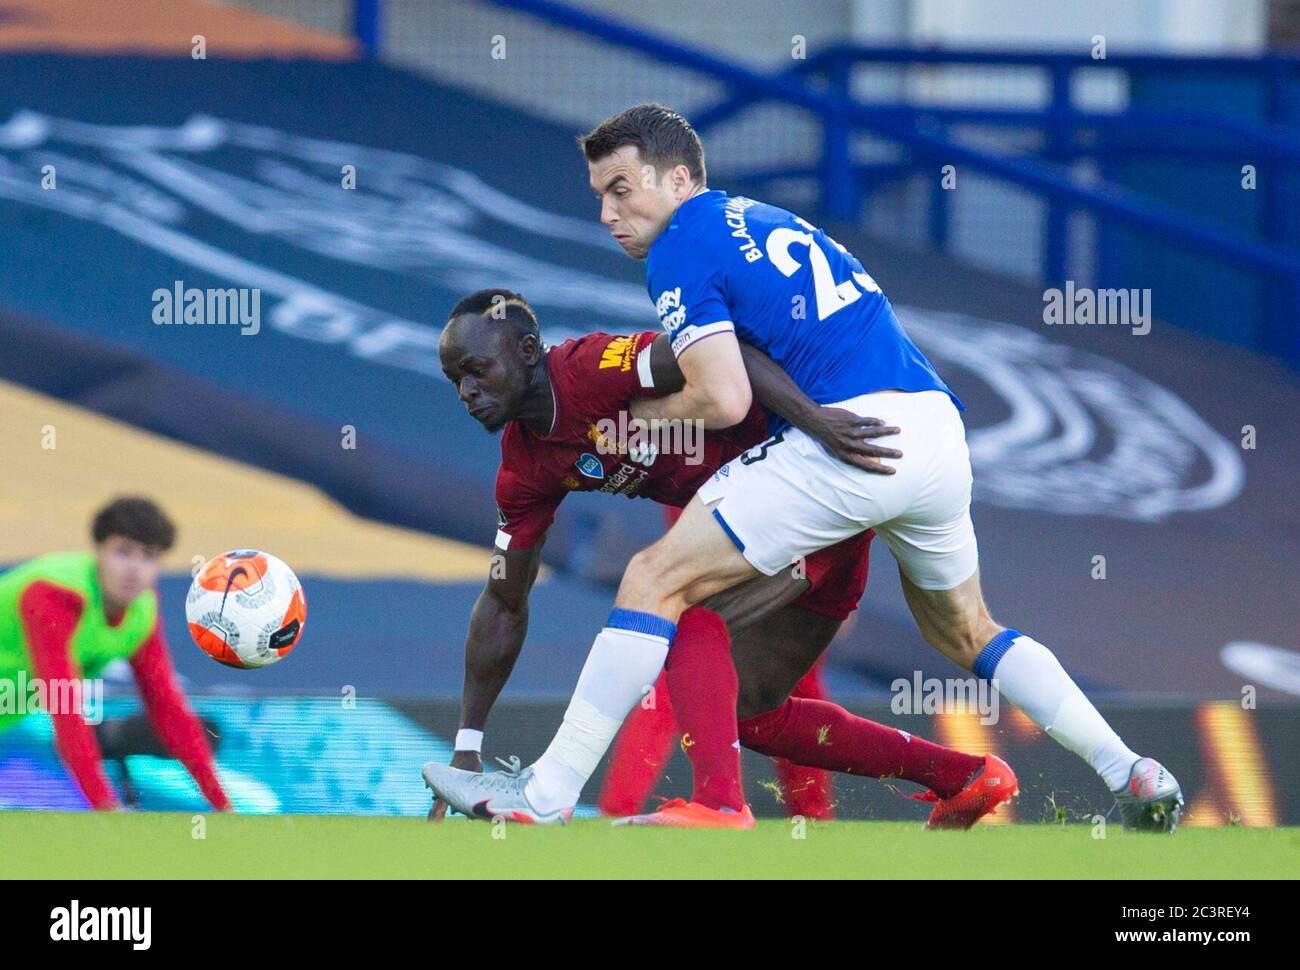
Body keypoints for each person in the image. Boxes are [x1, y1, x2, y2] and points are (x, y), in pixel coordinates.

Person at [425, 104, 1182, 831]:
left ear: (680, 179)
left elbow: (721, 396)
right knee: (962, 633)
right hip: (932, 433)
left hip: (842, 447)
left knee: (655, 582)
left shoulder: (680, 246)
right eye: (600, 197)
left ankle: (554, 792)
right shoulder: (759, 219)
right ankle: (1130, 772)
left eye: (622, 189)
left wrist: (662, 418)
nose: (609, 213)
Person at [425, 290, 1015, 828]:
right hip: (762, 534)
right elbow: (504, 601)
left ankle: (718, 804)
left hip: (808, 493)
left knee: (674, 604)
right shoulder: (523, 469)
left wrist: (817, 424)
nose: (466, 392)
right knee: (751, 712)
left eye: (476, 370)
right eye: (455, 381)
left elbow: (724, 357)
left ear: (528, 350)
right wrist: (467, 743)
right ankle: (963, 777)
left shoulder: (592, 368)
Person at [0, 497, 230, 811]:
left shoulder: (141, 610)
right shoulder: (54, 594)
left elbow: (168, 708)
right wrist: (104, 804)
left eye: (148, 556)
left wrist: (223, 806)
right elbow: (63, 704)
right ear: (99, 552)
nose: (134, 569)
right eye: (123, 552)